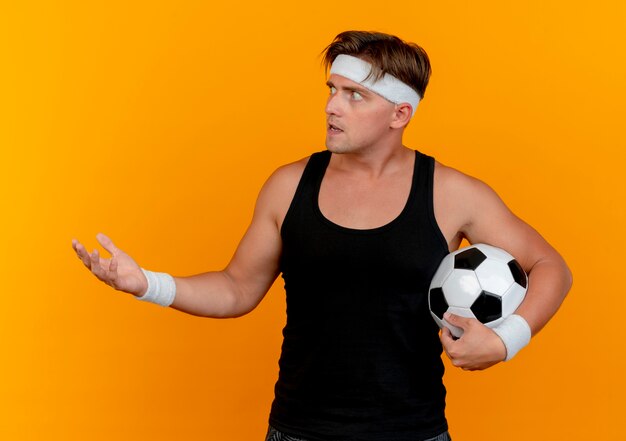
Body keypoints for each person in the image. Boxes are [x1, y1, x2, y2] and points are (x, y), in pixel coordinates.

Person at [71, 31, 572, 441]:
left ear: (401, 114)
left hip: (412, 432)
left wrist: (505, 341)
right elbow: (237, 288)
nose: (333, 106)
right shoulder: (288, 185)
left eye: (355, 95)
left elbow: (551, 267)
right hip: (298, 431)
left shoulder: (453, 194)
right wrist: (147, 285)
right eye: (331, 90)